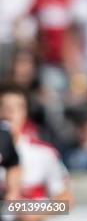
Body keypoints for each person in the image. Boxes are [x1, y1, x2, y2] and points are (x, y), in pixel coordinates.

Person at [0, 86, 73, 218]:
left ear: (25, 113)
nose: (8, 113)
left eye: (16, 107)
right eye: (3, 106)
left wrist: (32, 211)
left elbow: (66, 202)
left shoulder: (44, 153)